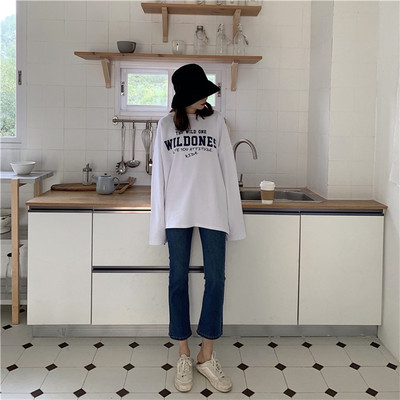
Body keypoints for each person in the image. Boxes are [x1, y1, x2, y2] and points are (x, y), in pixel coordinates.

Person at [149, 64, 245, 393]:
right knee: (177, 279)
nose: (206, 98)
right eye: (200, 92)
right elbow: (159, 178)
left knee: (215, 279)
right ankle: (184, 354)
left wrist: (234, 219)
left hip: (213, 211)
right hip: (177, 213)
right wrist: (158, 225)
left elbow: (228, 170)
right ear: (186, 95)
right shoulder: (165, 126)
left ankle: (206, 354)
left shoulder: (217, 122)